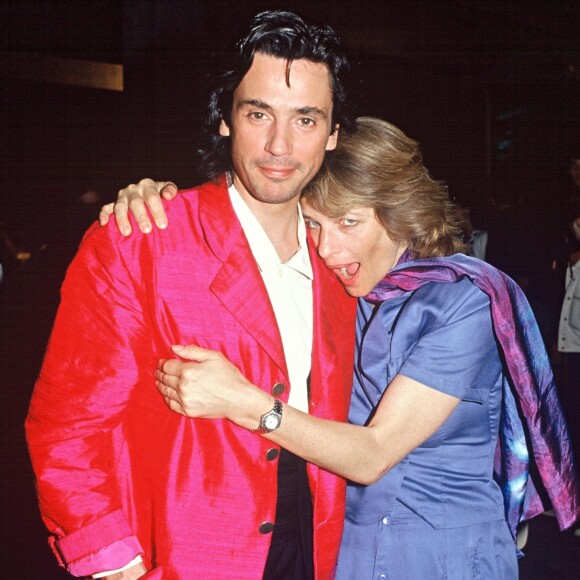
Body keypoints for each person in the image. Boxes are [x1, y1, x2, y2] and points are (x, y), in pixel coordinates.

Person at [111, 118, 578, 579]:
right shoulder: (337, 294)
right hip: (348, 552)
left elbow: (372, 454)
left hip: (445, 556)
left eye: (348, 222)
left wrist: (241, 400)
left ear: (399, 211)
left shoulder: (462, 301)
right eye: (313, 225)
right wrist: (165, 208)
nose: (328, 249)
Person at [25, 11, 358, 579]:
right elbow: (67, 428)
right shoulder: (143, 239)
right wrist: (113, 563)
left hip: (315, 548)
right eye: (259, 114)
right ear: (227, 119)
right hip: (185, 555)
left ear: (331, 135)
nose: (279, 145)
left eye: (305, 119)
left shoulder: (342, 264)